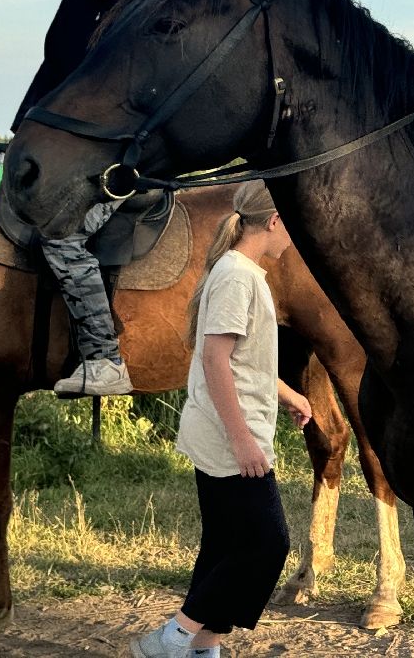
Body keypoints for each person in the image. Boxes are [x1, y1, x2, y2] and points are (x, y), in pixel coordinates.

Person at [132, 181, 311, 658]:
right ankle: (172, 638)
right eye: (289, 223)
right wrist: (243, 440)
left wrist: (288, 393)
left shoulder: (240, 271)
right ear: (273, 221)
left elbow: (240, 359)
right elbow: (214, 359)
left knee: (224, 544)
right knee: (268, 544)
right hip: (229, 438)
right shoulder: (238, 276)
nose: (292, 234)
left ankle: (203, 647)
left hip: (223, 431)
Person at [12, 0, 143, 397]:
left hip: (126, 158)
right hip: (76, 154)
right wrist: (19, 136)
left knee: (61, 238)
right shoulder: (72, 7)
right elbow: (51, 77)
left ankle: (105, 360)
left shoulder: (147, 7)